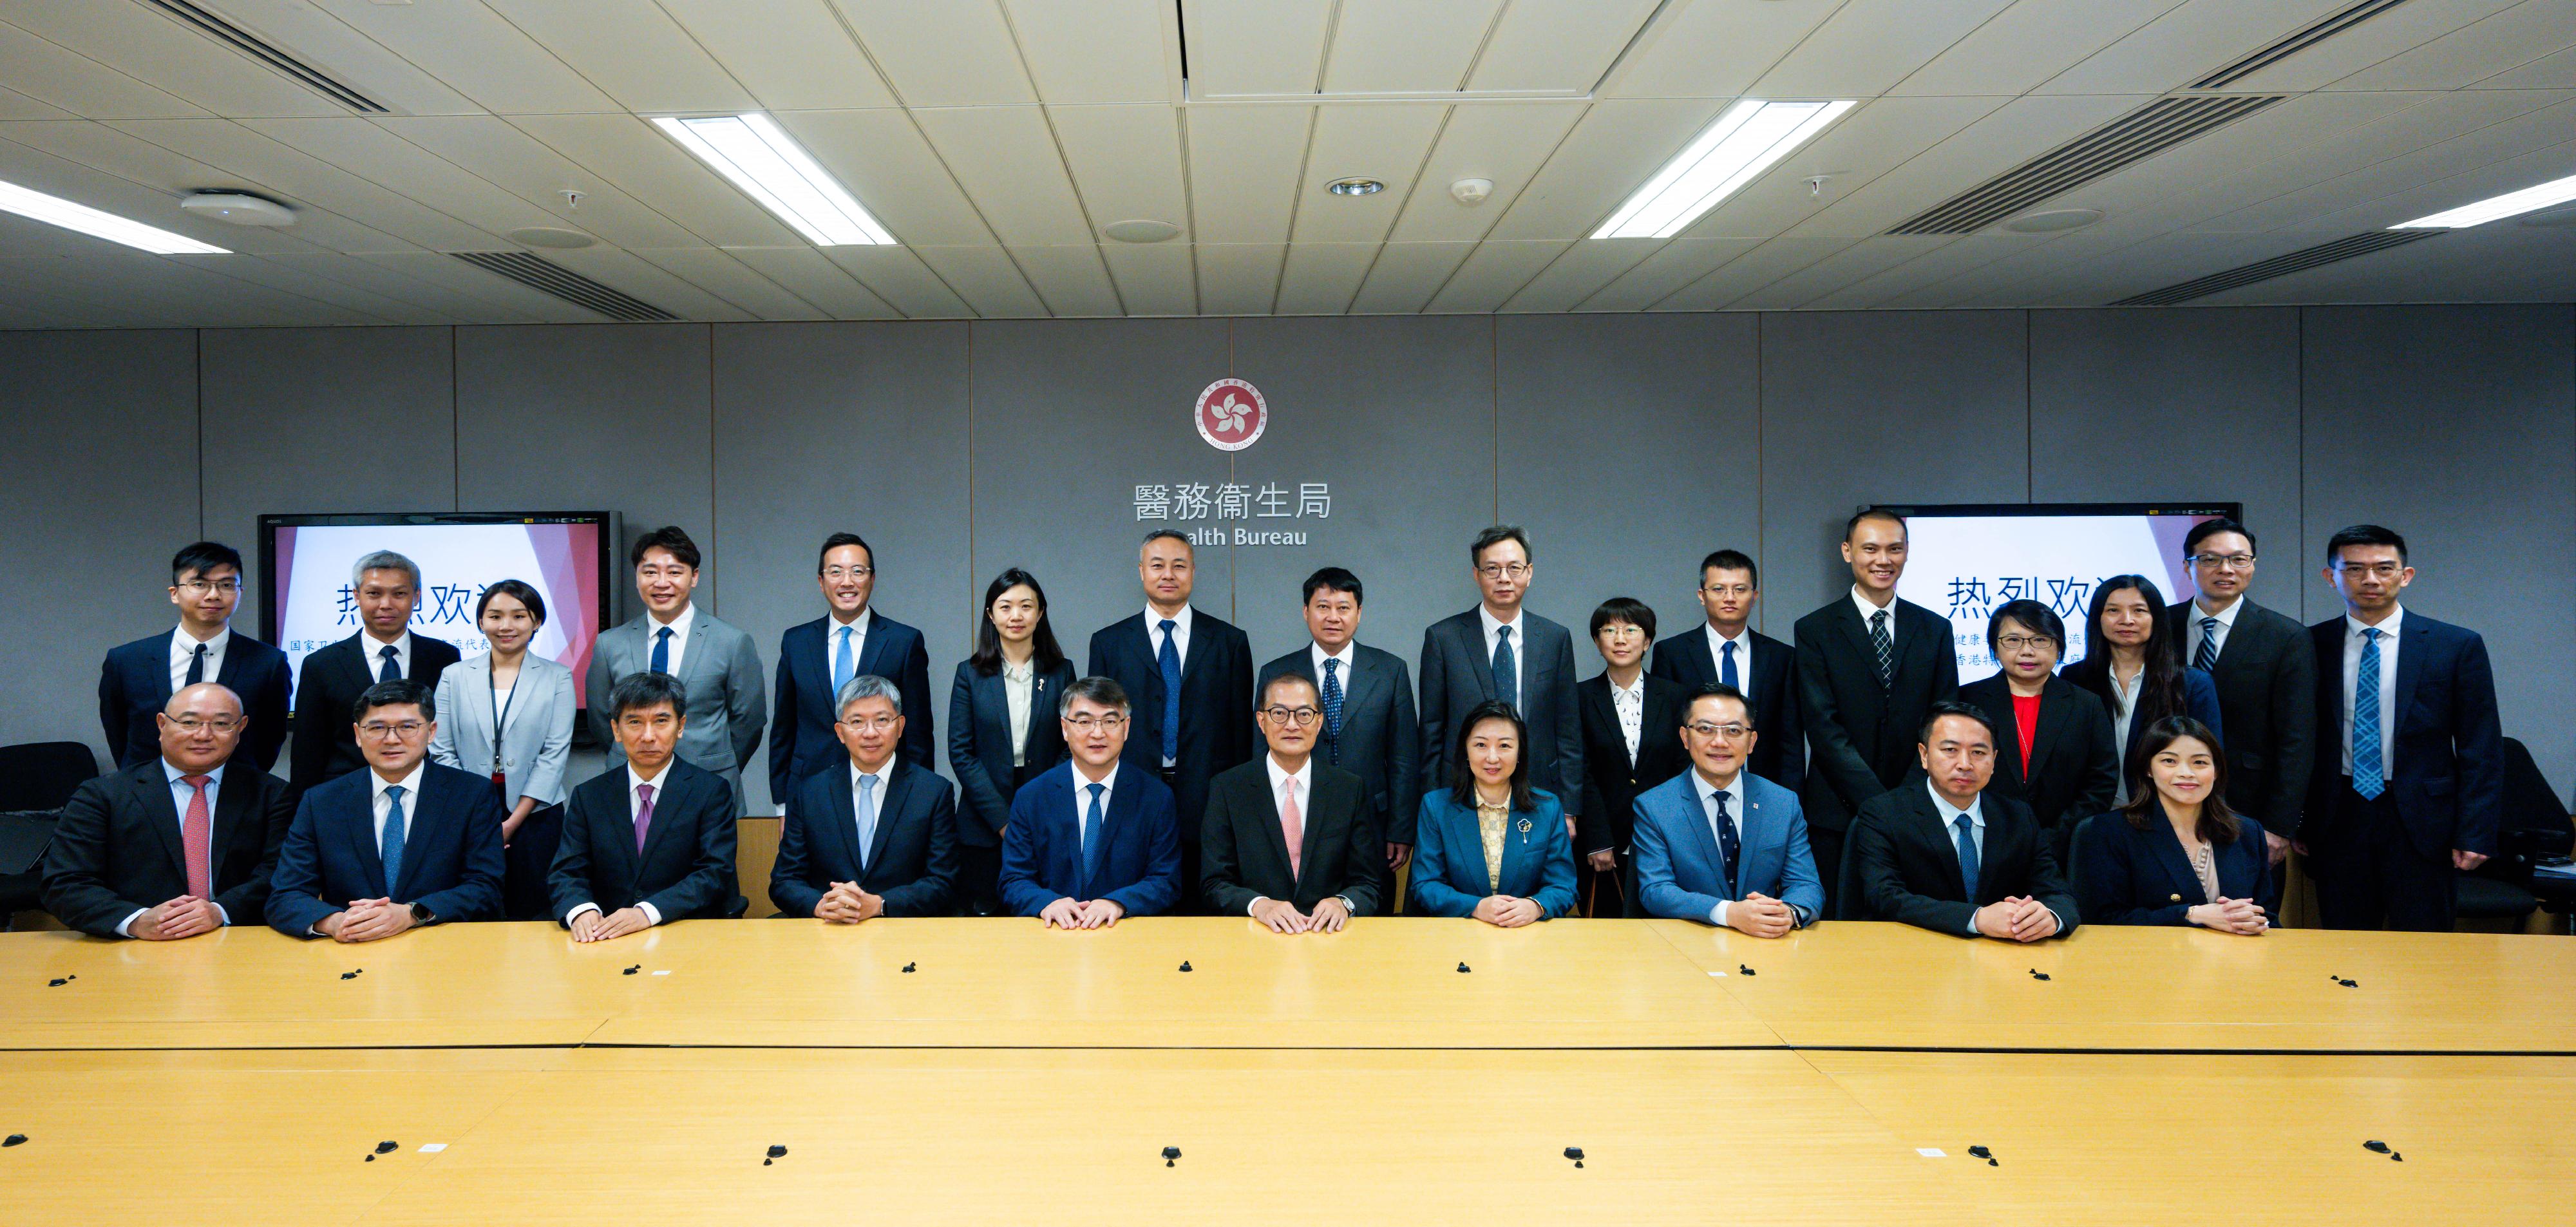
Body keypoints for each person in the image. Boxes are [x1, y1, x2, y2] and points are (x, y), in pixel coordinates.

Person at [2302, 525, 2504, 932]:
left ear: (2405, 575)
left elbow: (2480, 745)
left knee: (2426, 944)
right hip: (2338, 815)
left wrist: (2476, 831)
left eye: (2384, 568)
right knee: (2344, 943)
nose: (2371, 580)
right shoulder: (2308, 644)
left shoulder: (2455, 645)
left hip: (2424, 820)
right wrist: (2297, 819)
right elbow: (2297, 740)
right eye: (2355, 569)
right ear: (2331, 577)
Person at [1794, 510, 1960, 913]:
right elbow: (1823, 725)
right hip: (1837, 808)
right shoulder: (1815, 629)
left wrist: (1904, 797)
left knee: (1915, 920)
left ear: (1907, 554)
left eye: (1894, 549)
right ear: (1847, 551)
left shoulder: (1934, 628)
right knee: (1837, 923)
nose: (1883, 560)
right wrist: (1877, 801)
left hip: (1918, 806)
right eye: (1870, 549)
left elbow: (1942, 719)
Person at [1086, 529, 1254, 912]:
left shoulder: (1229, 642)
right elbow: (1097, 728)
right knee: (1132, 904)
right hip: (1131, 791)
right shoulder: (1109, 643)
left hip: (1208, 795)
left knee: (1204, 906)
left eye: (1179, 566)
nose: (1168, 574)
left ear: (1193, 571)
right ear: (1141, 571)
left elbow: (1242, 732)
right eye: (1157, 565)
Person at [43, 683, 294, 938]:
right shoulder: (102, 795)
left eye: (221, 724)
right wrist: (136, 920)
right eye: (189, 722)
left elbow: (280, 873)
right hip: (133, 948)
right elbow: (66, 883)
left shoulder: (272, 795)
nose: (203, 735)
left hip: (239, 941)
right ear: (162, 725)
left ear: (240, 729)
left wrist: (221, 910)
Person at [266, 679, 504, 939]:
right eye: (377, 728)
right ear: (358, 734)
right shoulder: (322, 801)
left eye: (407, 727)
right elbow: (286, 895)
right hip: (354, 950)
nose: (392, 740)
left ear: (432, 731)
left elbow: (486, 887)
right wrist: (336, 922)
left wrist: (412, 914)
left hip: (442, 947)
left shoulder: (471, 794)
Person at [1844, 701, 2078, 941]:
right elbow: (1884, 896)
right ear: (1924, 755)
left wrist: (2050, 917)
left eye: (1978, 753)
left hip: (2000, 959)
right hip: (1912, 951)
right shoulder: (1884, 813)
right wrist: (1976, 919)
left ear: (1994, 760)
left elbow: (2058, 893)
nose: (1965, 764)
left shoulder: (2018, 816)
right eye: (1950, 750)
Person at [1419, 526, 1585, 854]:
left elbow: (1567, 730)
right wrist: (1430, 804)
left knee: (1532, 890)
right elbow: (1432, 730)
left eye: (1514, 568)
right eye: (1492, 569)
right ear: (1476, 575)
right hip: (1461, 791)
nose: (1504, 578)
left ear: (1530, 573)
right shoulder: (1444, 637)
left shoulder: (1554, 638)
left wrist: (1568, 807)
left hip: (1538, 788)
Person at [2164, 517, 2315, 874]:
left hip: (2249, 806)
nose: (2225, 569)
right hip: (2162, 800)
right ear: (2188, 566)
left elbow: (2298, 737)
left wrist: (2279, 825)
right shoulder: (2158, 627)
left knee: (2247, 915)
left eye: (2238, 559)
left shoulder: (2286, 636)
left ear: (2253, 565)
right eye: (2210, 559)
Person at [1255, 567, 1420, 883]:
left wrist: (1401, 827)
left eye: (1343, 608)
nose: (1333, 617)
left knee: (1371, 914)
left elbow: (1404, 757)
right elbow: (1260, 753)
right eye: (1323, 607)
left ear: (1359, 613)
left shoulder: (1390, 671)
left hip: (1372, 820)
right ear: (1306, 612)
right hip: (1296, 818)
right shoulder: (1276, 673)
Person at [585, 526, 766, 814]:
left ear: (694, 577)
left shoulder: (732, 642)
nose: (661, 582)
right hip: (630, 785)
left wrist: (712, 759)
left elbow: (750, 721)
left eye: (674, 572)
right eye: (650, 572)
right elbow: (600, 718)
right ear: (637, 577)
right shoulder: (610, 644)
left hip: (708, 784)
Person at [549, 671, 743, 940]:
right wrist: (581, 910)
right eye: (635, 722)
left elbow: (715, 872)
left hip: (688, 931)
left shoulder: (711, 792)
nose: (648, 736)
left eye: (661, 721)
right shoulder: (589, 796)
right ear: (616, 729)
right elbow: (567, 870)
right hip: (608, 935)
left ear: (681, 726)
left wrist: (647, 912)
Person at [428, 580, 575, 920]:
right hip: (466, 806)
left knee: (534, 906)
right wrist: (477, 810)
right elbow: (442, 749)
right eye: (495, 616)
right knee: (473, 902)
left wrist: (512, 823)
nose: (506, 626)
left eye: (518, 616)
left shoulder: (558, 677)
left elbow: (554, 755)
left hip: (536, 810)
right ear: (481, 622)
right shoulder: (454, 675)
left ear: (536, 622)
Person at [1631, 684, 1823, 932]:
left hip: (1767, 945)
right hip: (1688, 944)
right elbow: (1656, 890)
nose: (1719, 742)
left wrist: (1788, 913)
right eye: (1705, 729)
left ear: (1751, 741)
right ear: (1685, 738)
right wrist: (1729, 913)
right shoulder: (1655, 807)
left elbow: (1806, 884)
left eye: (1733, 730)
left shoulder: (1782, 803)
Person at [1200, 674, 1382, 931]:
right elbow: (1214, 883)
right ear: (1261, 721)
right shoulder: (1228, 788)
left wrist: (1343, 903)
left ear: (1319, 722)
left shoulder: (1349, 789)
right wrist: (1259, 905)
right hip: (1255, 936)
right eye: (1279, 713)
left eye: (1304, 714)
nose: (1292, 725)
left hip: (1328, 938)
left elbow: (1368, 883)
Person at [770, 533, 934, 816]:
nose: (847, 582)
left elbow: (918, 733)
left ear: (872, 579)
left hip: (886, 790)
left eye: (858, 571)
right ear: (821, 582)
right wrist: (783, 806)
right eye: (836, 572)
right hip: (809, 790)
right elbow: (783, 730)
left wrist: (918, 802)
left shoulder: (903, 642)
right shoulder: (796, 642)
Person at [997, 676, 1182, 927]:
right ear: (1065, 728)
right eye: (1084, 722)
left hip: (1126, 936)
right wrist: (1047, 903)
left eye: (1110, 721)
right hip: (1053, 935)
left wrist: (1118, 903)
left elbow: (1166, 880)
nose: (1098, 733)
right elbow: (1013, 880)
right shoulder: (1032, 797)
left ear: (1126, 727)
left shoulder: (1155, 798)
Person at [775, 675, 960, 920]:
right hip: (829, 930)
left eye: (882, 720)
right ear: (840, 732)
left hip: (903, 932)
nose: (870, 733)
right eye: (857, 722)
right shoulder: (810, 793)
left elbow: (943, 881)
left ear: (901, 726)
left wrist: (881, 904)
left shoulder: (934, 792)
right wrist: (822, 906)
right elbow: (784, 880)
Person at [98, 541, 290, 774]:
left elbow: (270, 738)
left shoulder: (268, 663)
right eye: (199, 584)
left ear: (240, 593)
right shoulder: (127, 661)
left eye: (227, 585)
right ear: (175, 594)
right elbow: (118, 733)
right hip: (145, 793)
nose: (213, 595)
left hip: (235, 795)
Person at [948, 569, 1076, 915]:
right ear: (991, 614)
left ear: (1041, 612)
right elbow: (961, 752)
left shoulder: (1061, 671)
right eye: (1005, 607)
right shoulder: (970, 673)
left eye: (1026, 606)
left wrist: (1038, 807)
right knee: (984, 922)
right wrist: (1004, 821)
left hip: (1047, 809)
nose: (1016, 616)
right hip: (983, 819)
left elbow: (1071, 744)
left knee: (1044, 914)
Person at [2073, 718, 2271, 931]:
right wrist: (2190, 914)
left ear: (2216, 771)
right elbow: (2106, 920)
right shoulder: (2113, 831)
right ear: (2148, 768)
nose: (2187, 773)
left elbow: (2268, 915)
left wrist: (2257, 922)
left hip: (2236, 959)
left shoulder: (2248, 832)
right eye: (2170, 761)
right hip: (2152, 958)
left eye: (2200, 762)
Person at [289, 550, 461, 795]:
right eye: (374, 593)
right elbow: (308, 751)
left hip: (427, 795)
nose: (386, 604)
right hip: (345, 796)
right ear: (357, 597)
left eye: (399, 594)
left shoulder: (444, 657)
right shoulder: (321, 664)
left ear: (417, 597)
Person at [1956, 600, 2118, 851]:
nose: (2027, 651)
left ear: (2059, 648)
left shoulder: (2086, 705)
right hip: (1981, 841)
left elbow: (2101, 781)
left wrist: (2054, 837)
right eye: (2013, 640)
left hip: (2063, 846)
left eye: (2041, 640)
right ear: (1995, 648)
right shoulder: (1967, 701)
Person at [1406, 700, 1577, 924]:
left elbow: (1563, 886)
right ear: (1465, 750)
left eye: (1505, 746)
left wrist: (1536, 906)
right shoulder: (1436, 806)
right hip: (1459, 935)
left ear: (1520, 753)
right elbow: (1425, 885)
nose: (1493, 757)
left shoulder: (1547, 808)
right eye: (1481, 745)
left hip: (1527, 935)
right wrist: (1475, 907)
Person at [2060, 576, 2225, 804]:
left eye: (2139, 610)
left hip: (2167, 812)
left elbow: (2209, 760)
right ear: (2098, 618)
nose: (2127, 620)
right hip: (2092, 812)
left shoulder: (2192, 683)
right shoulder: (2075, 678)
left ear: (2156, 618)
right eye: (2113, 611)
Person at [1650, 549, 1803, 792]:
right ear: (1702, 595)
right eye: (1719, 589)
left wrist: (1793, 799)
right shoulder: (1672, 653)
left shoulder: (1782, 657)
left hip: (1765, 790)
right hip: (1691, 790)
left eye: (1740, 589)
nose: (1729, 598)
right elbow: (1666, 735)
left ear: (1755, 596)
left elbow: (1791, 740)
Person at [1575, 598, 1687, 916]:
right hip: (1604, 840)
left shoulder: (1675, 696)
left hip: (1665, 836)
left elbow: (1683, 768)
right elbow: (1580, 771)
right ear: (1597, 642)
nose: (1620, 639)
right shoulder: (1579, 697)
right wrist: (1597, 839)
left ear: (1647, 640)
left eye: (1631, 630)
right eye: (1609, 630)